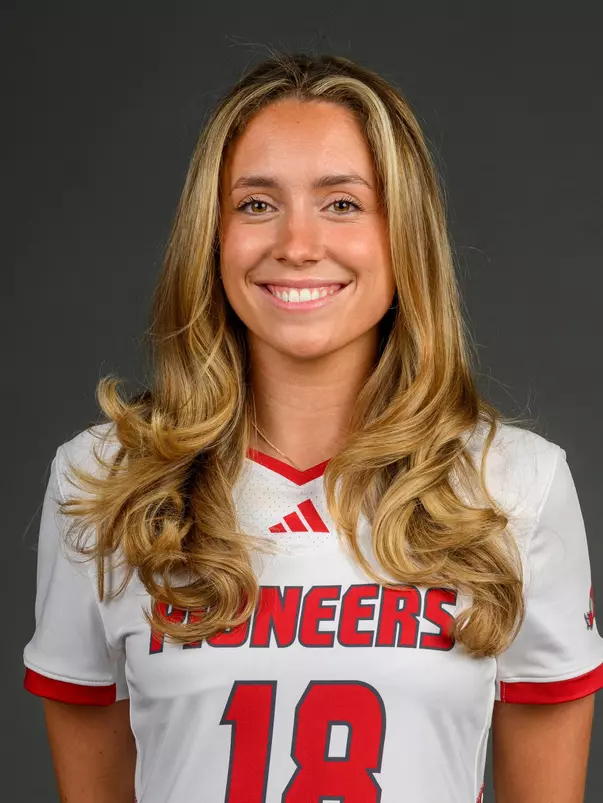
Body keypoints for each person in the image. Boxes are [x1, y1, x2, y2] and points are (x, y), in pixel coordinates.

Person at [23, 51, 603, 803]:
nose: (296, 244)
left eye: (341, 204)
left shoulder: (514, 483)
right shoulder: (104, 480)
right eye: (256, 204)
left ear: (404, 238)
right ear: (213, 234)